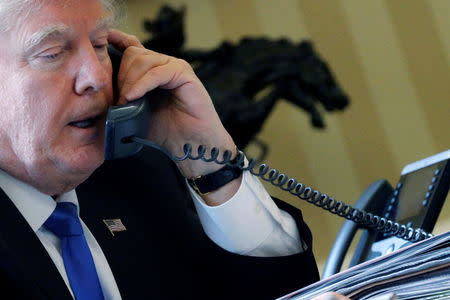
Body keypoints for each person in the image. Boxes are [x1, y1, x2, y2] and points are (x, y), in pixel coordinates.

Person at [0, 0, 321, 299]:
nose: (97, 77)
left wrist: (213, 166)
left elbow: (289, 290)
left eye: (99, 45)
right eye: (53, 52)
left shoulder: (140, 176)